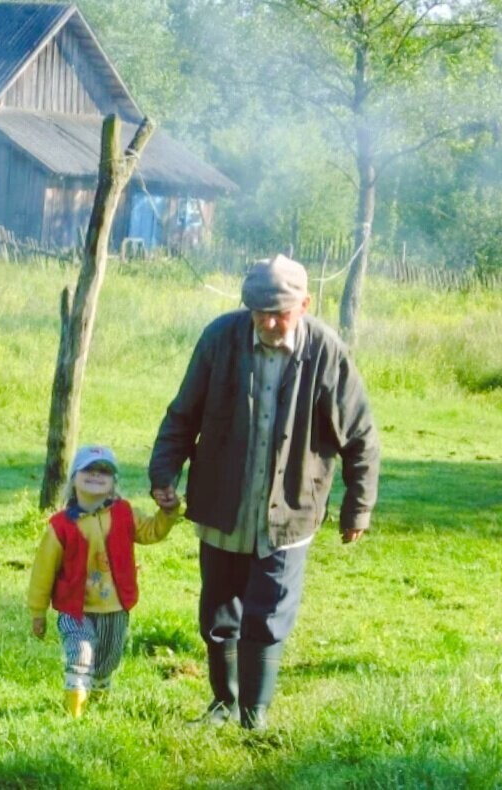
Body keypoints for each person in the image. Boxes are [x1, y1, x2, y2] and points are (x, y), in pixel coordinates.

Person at [148, 254, 380, 730]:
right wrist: (163, 473)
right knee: (219, 610)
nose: (270, 322)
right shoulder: (220, 338)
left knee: (269, 611)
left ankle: (256, 714)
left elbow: (360, 436)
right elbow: (182, 414)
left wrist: (357, 508)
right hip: (222, 501)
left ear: (306, 304)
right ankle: (223, 704)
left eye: (281, 313)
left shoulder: (326, 351)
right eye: (260, 312)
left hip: (291, 508)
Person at [28, 444, 182, 718]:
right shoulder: (61, 525)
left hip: (115, 606)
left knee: (107, 662)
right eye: (88, 470)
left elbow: (150, 532)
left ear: (113, 484)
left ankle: (97, 702)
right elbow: (43, 571)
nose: (96, 476)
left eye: (105, 472)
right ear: (74, 477)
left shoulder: (124, 513)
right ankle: (73, 714)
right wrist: (38, 612)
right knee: (81, 654)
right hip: (74, 609)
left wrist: (167, 514)